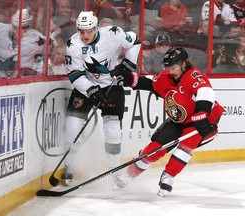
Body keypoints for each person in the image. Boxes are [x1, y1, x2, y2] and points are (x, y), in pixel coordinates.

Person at [111, 47, 225, 197]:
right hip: (178, 121)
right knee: (153, 149)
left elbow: (206, 92)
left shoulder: (194, 75)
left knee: (186, 145)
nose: (170, 71)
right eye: (168, 67)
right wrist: (128, 79)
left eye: (174, 67)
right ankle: (129, 174)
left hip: (202, 121)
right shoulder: (167, 76)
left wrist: (201, 115)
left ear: (184, 64)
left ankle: (168, 176)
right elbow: (151, 83)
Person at [62, 10, 141, 185]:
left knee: (112, 130)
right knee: (72, 126)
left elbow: (135, 40)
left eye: (89, 30)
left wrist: (128, 63)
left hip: (112, 86)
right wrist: (92, 91)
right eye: (81, 31)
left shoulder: (113, 34)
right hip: (86, 87)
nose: (85, 35)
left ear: (96, 27)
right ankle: (70, 166)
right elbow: (75, 75)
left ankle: (115, 170)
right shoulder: (73, 45)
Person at [0, 8, 49, 78]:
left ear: (29, 26)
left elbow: (48, 54)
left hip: (21, 82)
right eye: (15, 27)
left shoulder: (37, 39)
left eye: (24, 28)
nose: (18, 31)